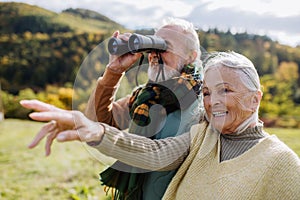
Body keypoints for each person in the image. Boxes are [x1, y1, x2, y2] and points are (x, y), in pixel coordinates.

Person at [20, 51, 300, 199]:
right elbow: (154, 153)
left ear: (255, 99)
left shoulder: (282, 164)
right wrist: (95, 131)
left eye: (225, 90)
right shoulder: (203, 134)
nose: (213, 101)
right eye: (206, 93)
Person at [84, 17, 203, 199]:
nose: (155, 54)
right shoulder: (145, 97)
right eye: (152, 47)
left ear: (191, 56)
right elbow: (95, 122)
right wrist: (113, 72)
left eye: (164, 46)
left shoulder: (206, 100)